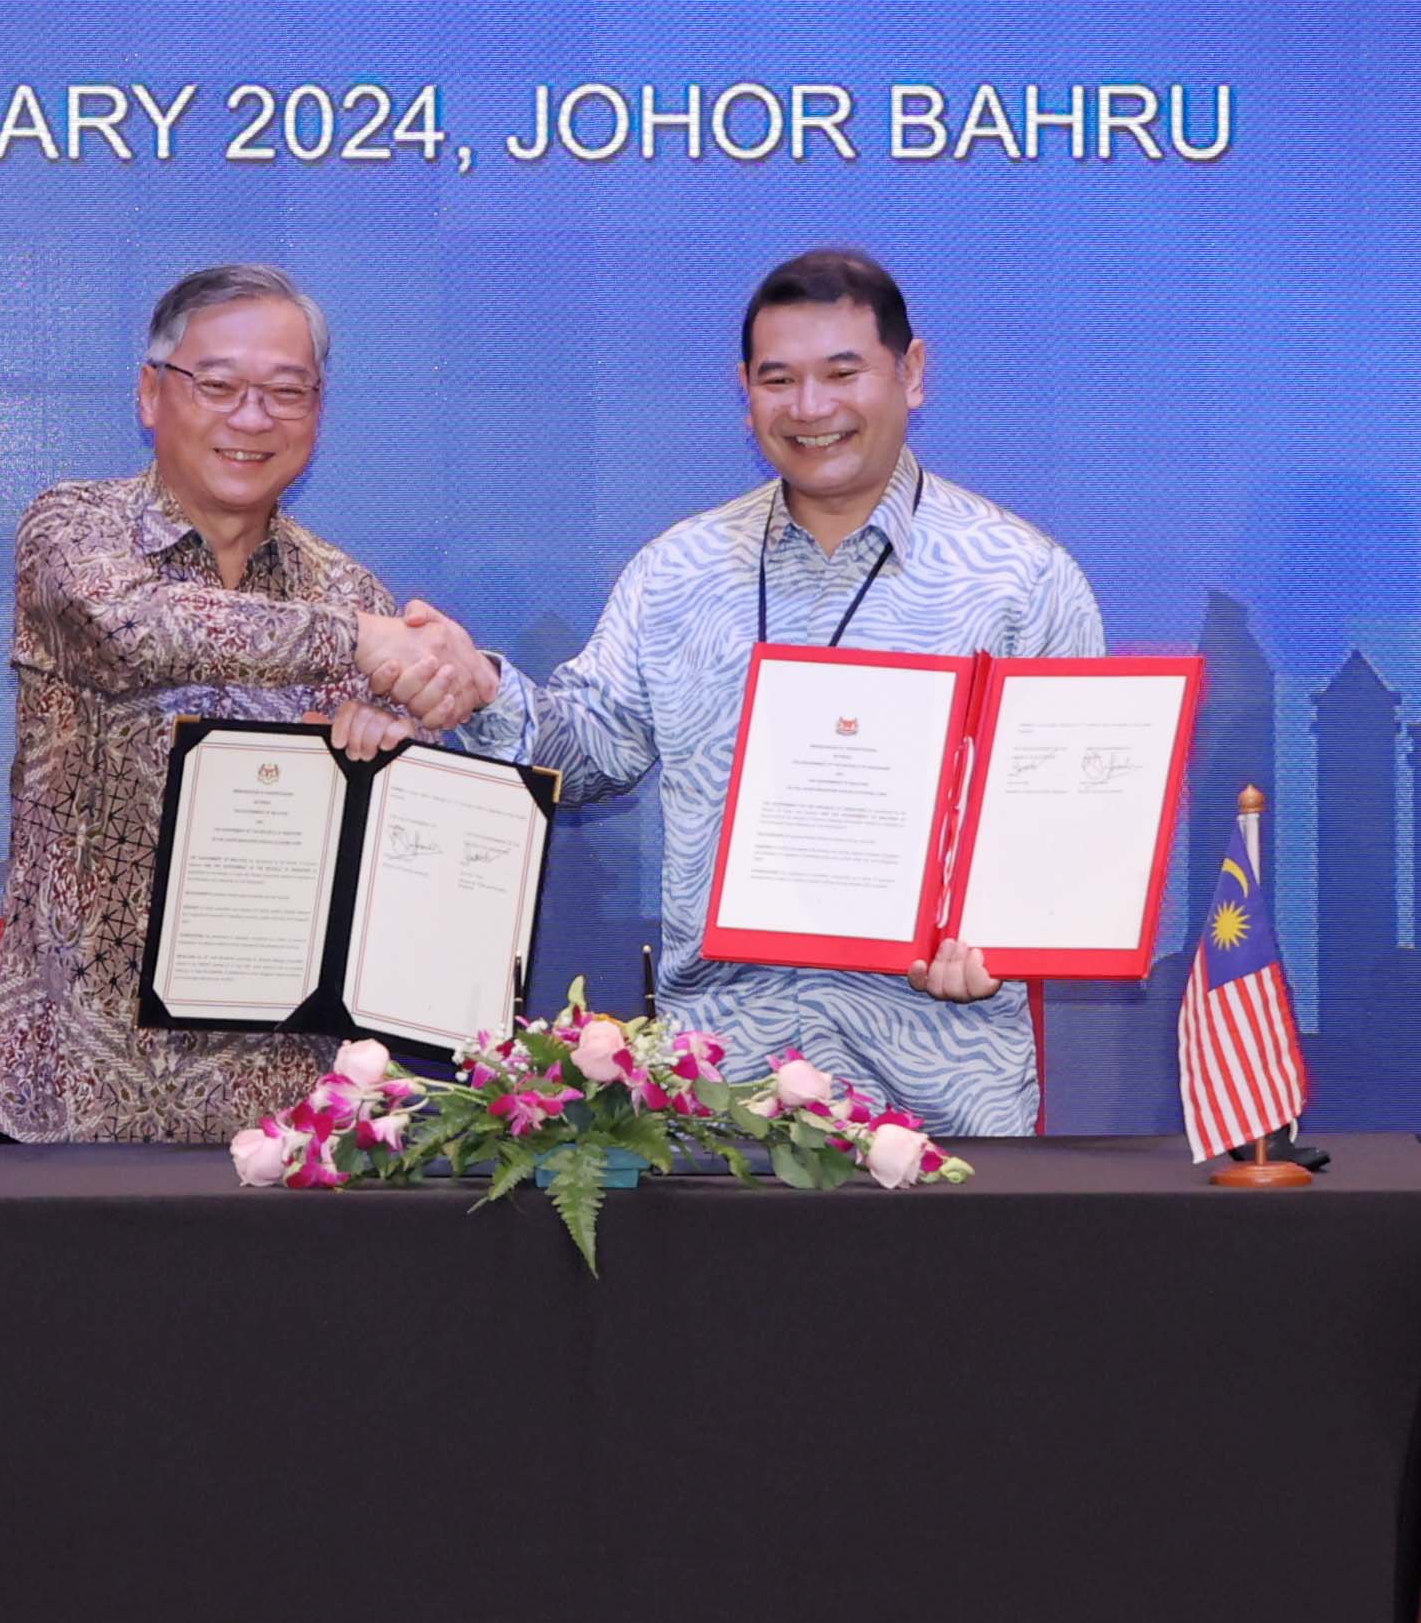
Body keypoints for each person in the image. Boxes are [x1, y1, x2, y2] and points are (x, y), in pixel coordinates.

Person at [461, 247, 1098, 1136]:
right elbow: (590, 754)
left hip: (944, 1099)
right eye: (778, 380)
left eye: (844, 373)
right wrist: (476, 690)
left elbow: (1070, 830)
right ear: (743, 391)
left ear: (911, 374)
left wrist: (1005, 939)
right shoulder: (677, 571)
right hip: (717, 1101)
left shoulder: (1019, 581)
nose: (810, 409)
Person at [0, 262, 495, 1142]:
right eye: (217, 385)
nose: (251, 418)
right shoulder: (73, 529)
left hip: (286, 1115)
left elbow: (393, 869)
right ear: (150, 393)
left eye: (286, 392)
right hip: (72, 1096)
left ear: (318, 410)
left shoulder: (342, 583)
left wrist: (386, 755)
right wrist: (361, 642)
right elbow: (132, 630)